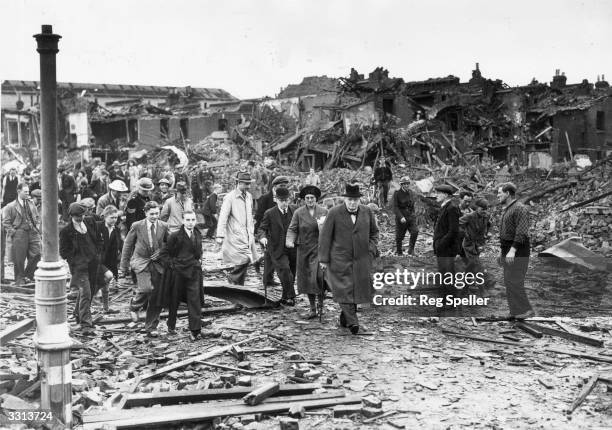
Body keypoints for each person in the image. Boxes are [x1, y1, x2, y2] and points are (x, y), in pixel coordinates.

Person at [318, 184, 379, 334]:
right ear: (345, 199)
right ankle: (353, 322)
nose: (352, 203)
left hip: (361, 259)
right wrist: (323, 259)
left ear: (359, 200)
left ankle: (344, 318)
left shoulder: (367, 212)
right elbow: (325, 237)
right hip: (339, 259)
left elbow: (374, 233)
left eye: (355, 200)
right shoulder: (333, 213)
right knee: (343, 289)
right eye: (350, 200)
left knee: (356, 290)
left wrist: (370, 249)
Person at [120, 201, 169, 337]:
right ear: (145, 213)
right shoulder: (137, 226)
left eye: (156, 214)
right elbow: (128, 245)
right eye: (151, 214)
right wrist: (123, 267)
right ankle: (134, 305)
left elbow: (170, 243)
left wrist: (161, 251)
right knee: (146, 288)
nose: (154, 216)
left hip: (158, 264)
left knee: (156, 296)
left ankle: (151, 326)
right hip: (141, 261)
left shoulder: (164, 226)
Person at [159, 210, 204, 341]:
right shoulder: (175, 236)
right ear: (183, 221)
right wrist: (172, 265)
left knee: (194, 300)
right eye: (188, 220)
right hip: (178, 273)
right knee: (174, 300)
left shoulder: (197, 234)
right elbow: (164, 254)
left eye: (193, 220)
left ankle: (195, 331)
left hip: (194, 272)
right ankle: (171, 325)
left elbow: (199, 251)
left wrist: (200, 260)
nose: (190, 223)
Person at [59, 202, 103, 335]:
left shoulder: (90, 222)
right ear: (71, 216)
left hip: (93, 264)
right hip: (79, 267)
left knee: (91, 290)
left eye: (82, 215)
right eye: (78, 216)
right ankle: (86, 325)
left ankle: (78, 314)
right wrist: (75, 260)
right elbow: (63, 251)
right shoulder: (66, 231)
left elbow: (98, 239)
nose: (81, 218)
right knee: (86, 293)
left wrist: (97, 253)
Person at [286, 185, 328, 318]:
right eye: (307, 198)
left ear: (316, 199)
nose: (310, 200)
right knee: (308, 279)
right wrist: (290, 240)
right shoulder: (299, 213)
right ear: (304, 199)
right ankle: (312, 308)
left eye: (312, 198)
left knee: (320, 277)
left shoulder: (324, 211)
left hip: (319, 249)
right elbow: (292, 228)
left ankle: (321, 305)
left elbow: (329, 229)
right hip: (304, 250)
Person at [498, 182, 534, 319]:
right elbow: (505, 233)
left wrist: (512, 250)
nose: (497, 196)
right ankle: (515, 312)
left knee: (515, 280)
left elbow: (522, 232)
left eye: (499, 193)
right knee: (508, 281)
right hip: (508, 248)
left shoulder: (520, 208)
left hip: (518, 249)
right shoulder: (508, 209)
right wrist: (502, 252)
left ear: (507, 194)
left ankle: (526, 310)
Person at [216, 171, 258, 286]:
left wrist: (252, 230)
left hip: (248, 234)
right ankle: (232, 278)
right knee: (243, 259)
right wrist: (220, 235)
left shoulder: (249, 196)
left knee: (248, 259)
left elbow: (250, 215)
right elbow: (223, 217)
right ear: (238, 183)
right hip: (235, 235)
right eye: (245, 184)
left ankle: (238, 289)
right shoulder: (229, 197)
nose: (248, 186)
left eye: (249, 184)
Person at [258, 187, 297, 306]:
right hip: (277, 247)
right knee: (285, 270)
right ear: (276, 200)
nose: (284, 203)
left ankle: (285, 297)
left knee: (291, 273)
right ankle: (291, 296)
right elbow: (261, 228)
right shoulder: (270, 213)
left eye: (286, 200)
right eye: (281, 200)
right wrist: (262, 237)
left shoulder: (295, 210)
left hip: (293, 247)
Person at [2, 183, 41, 286]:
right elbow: (6, 222)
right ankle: (19, 279)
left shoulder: (31, 203)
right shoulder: (10, 206)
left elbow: (37, 217)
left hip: (32, 232)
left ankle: (27, 276)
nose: (28, 193)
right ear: (19, 191)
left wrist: (37, 228)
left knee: (37, 253)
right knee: (19, 258)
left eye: (28, 191)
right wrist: (13, 232)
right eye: (25, 192)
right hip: (19, 233)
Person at [255, 175, 290, 287]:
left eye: (285, 185)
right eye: (281, 185)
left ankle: (268, 278)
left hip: (281, 233)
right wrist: (261, 234)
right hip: (268, 233)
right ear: (274, 186)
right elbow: (259, 216)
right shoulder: (265, 198)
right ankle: (267, 279)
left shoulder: (286, 196)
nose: (283, 187)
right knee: (269, 255)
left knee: (274, 256)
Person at [459, 198, 494, 296]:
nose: (484, 211)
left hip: (479, 245)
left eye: (486, 209)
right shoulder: (469, 216)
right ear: (477, 208)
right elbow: (458, 224)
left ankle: (464, 289)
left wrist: (487, 233)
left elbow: (489, 224)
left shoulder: (486, 216)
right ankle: (482, 289)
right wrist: (465, 234)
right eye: (482, 209)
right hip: (469, 245)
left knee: (470, 267)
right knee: (478, 266)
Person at [432, 185, 462, 301]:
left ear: (445, 195)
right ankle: (446, 298)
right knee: (444, 273)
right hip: (443, 247)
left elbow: (453, 231)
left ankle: (450, 300)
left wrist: (441, 244)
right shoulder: (445, 207)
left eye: (439, 193)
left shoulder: (451, 208)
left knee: (448, 274)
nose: (436, 196)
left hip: (447, 248)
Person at [93, 205, 123, 313]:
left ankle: (106, 308)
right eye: (111, 217)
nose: (114, 220)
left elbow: (119, 245)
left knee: (106, 286)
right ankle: (92, 295)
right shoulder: (98, 226)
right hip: (97, 260)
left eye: (116, 217)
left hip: (109, 261)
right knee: (108, 276)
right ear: (105, 216)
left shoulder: (116, 230)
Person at [392, 176, 419, 256]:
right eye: (405, 184)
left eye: (408, 184)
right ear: (401, 185)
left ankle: (411, 250)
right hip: (401, 218)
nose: (406, 185)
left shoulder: (410, 192)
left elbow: (412, 205)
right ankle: (399, 252)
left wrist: (413, 215)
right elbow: (395, 207)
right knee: (399, 237)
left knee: (415, 231)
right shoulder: (397, 193)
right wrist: (401, 217)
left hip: (410, 217)